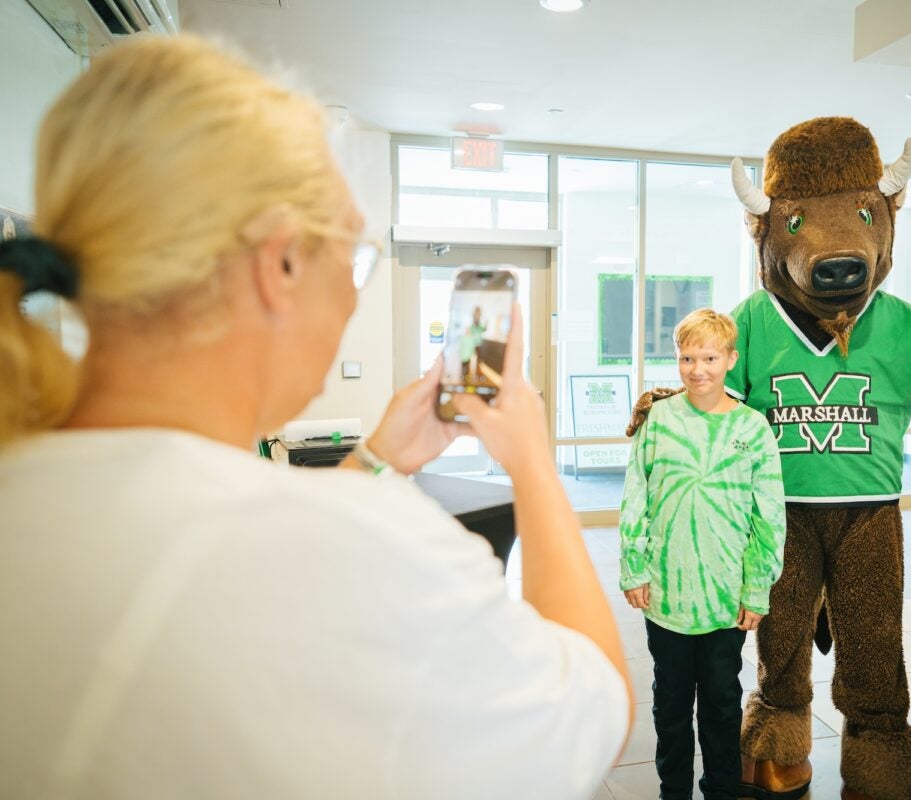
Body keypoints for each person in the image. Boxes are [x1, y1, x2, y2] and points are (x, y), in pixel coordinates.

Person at [0, 35, 631, 799]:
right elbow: (594, 711)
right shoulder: (368, 547)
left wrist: (375, 462)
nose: (356, 290)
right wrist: (531, 461)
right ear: (281, 263)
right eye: (355, 256)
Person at [619, 309, 786, 800]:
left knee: (721, 704)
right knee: (670, 705)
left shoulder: (753, 428)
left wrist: (757, 587)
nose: (698, 370)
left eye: (710, 358)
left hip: (725, 597)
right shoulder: (658, 420)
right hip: (666, 593)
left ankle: (722, 790)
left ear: (730, 359)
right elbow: (636, 495)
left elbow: (769, 515)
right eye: (687, 358)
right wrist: (634, 567)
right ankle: (673, 792)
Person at [458, 305, 486, 383]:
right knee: (467, 359)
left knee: (478, 360)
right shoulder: (472, 325)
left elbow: (483, 329)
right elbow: (469, 332)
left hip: (478, 344)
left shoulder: (480, 326)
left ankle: (477, 374)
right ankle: (466, 374)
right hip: (471, 344)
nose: (477, 316)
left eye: (478, 314)